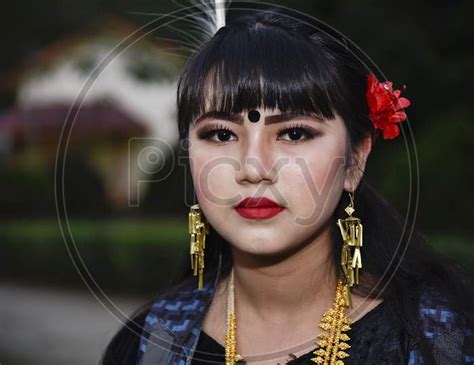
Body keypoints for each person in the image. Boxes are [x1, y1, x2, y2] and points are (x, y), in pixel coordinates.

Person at [101, 5, 473, 365]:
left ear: (355, 159)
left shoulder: (439, 338)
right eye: (219, 134)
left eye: (294, 133)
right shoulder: (150, 343)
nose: (253, 167)